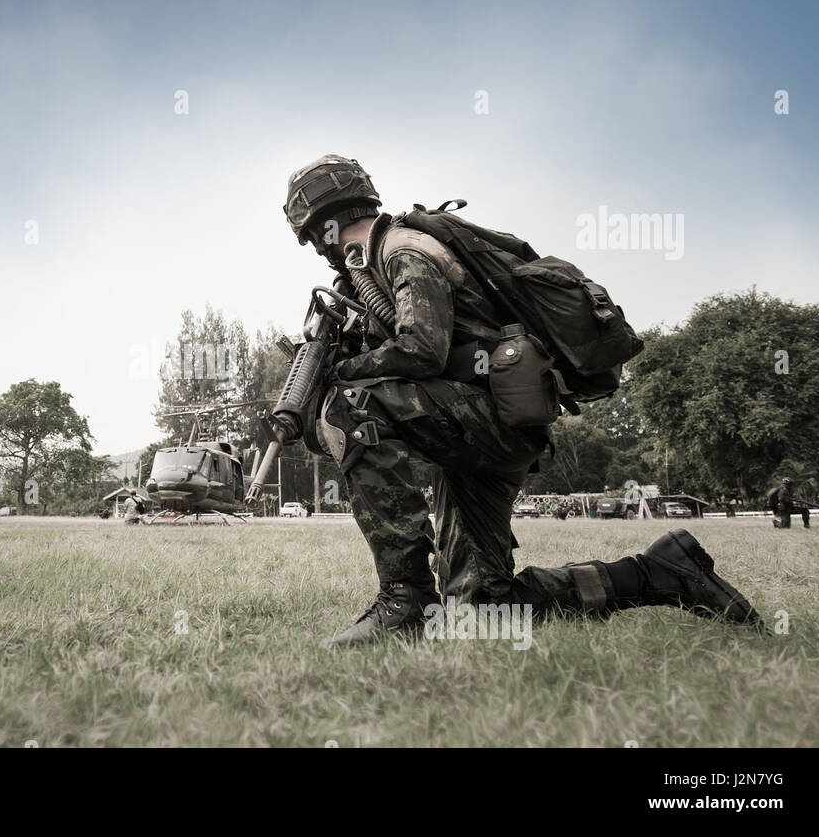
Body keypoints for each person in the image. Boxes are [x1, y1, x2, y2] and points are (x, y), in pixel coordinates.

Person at [282, 154, 761, 646]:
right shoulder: (371, 274)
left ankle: (404, 602)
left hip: (487, 417)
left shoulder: (402, 250)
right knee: (487, 607)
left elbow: (422, 348)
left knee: (350, 404)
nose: (320, 251)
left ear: (326, 226)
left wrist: (340, 375)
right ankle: (663, 573)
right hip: (488, 425)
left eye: (315, 238)